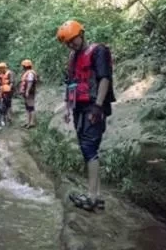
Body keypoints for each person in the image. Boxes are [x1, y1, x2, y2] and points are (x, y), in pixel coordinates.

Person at [57, 20, 115, 212]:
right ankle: (95, 195)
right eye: (68, 42)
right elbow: (71, 83)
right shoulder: (73, 57)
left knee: (90, 148)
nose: (71, 44)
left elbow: (104, 78)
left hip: (93, 105)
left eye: (73, 39)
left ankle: (92, 196)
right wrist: (67, 108)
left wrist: (98, 106)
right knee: (85, 147)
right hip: (79, 107)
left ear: (81, 34)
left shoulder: (98, 51)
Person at [19, 59, 38, 129]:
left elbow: (30, 82)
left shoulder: (30, 73)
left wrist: (27, 91)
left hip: (30, 92)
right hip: (28, 92)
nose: (22, 67)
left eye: (23, 66)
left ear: (25, 66)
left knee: (31, 107)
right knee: (27, 107)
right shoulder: (28, 72)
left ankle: (32, 122)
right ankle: (28, 122)